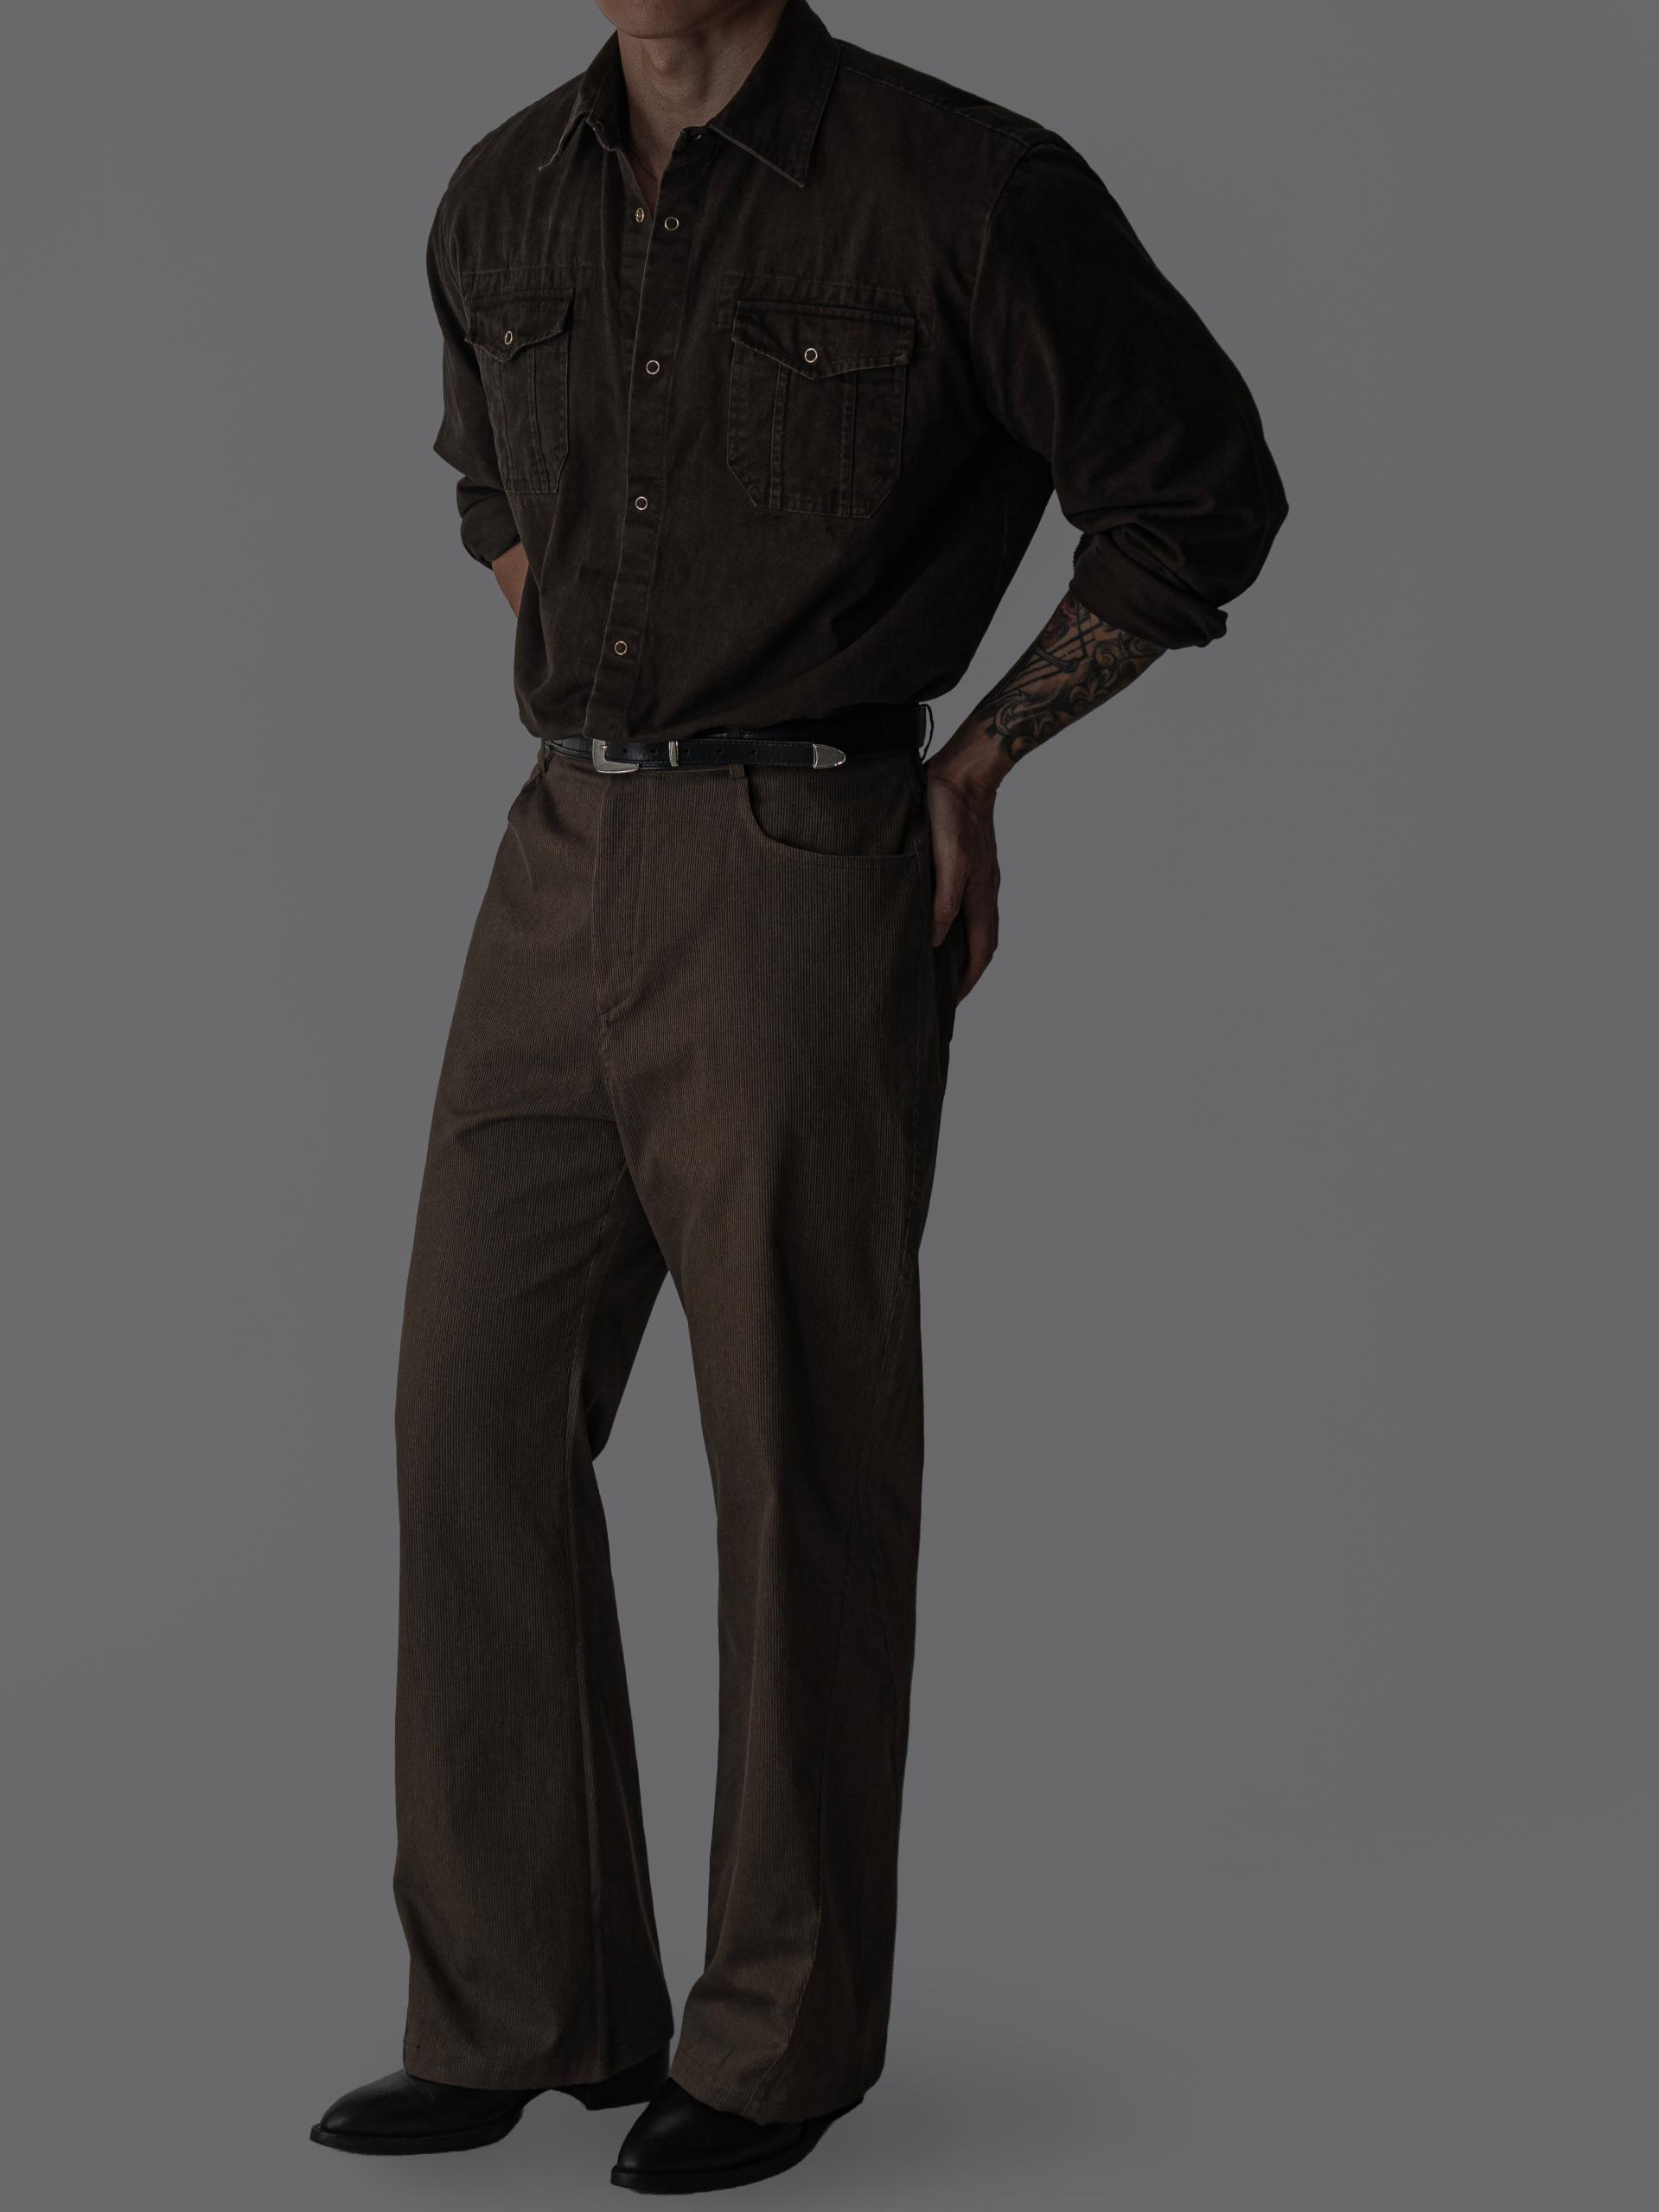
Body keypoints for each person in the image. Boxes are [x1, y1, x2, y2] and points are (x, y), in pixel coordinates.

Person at [309, 0, 1286, 2190]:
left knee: (796, 1444)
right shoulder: (500, 190)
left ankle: (780, 2039)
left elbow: (1198, 489)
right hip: (557, 851)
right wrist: (601, 666)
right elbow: (491, 485)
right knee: (469, 1410)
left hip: (803, 855)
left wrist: (978, 759)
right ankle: (526, 2000)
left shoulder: (966, 188)